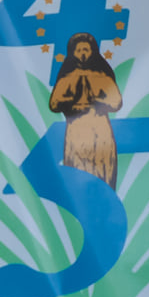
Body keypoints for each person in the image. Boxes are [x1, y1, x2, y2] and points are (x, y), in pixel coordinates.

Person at [49, 32, 123, 187]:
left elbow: (116, 102)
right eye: (79, 50)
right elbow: (54, 103)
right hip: (76, 130)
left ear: (92, 52)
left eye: (86, 50)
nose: (82, 53)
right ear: (73, 53)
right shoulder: (67, 78)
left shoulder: (103, 78)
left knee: (103, 167)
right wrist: (72, 103)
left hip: (100, 129)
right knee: (78, 168)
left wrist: (98, 101)